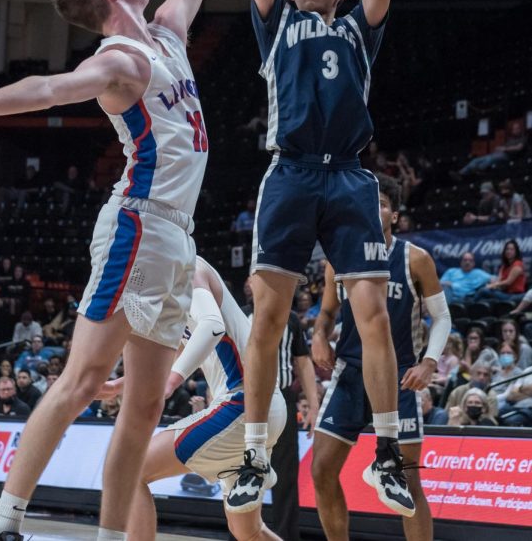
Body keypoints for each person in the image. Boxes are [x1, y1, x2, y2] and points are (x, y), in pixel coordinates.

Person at [0, 0, 261, 541]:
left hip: (174, 238)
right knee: (82, 381)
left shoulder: (168, 32)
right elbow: (50, 88)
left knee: (142, 410)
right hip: (138, 228)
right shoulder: (119, 60)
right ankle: (3, 523)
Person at [226, 0, 412, 520]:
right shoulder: (274, 21)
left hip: (349, 179)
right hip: (290, 173)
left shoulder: (358, 31)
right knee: (266, 317)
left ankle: (387, 455)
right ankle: (251, 457)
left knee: (372, 313)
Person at [102, 257, 286, 541]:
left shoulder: (188, 266)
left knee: (131, 469)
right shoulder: (171, 284)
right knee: (248, 532)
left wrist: (172, 382)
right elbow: (181, 350)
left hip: (243, 404)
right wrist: (119, 385)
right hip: (257, 410)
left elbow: (213, 327)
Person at [311, 175, 451, 539]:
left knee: (407, 482)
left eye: (382, 203)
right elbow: (326, 313)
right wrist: (319, 336)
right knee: (321, 470)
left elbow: (442, 316)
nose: (374, 208)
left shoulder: (415, 259)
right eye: (367, 202)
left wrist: (429, 361)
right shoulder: (338, 259)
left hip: (399, 376)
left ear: (394, 215)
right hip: (350, 373)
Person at [242, 280, 320, 541]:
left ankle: (286, 535)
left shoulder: (291, 320)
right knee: (242, 474)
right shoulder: (240, 316)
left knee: (285, 475)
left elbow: (303, 363)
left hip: (282, 399)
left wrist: (314, 404)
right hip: (244, 400)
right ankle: (242, 533)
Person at [455, 119, 527, 177]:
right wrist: (500, 148)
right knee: (476, 160)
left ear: (520, 129)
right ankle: (461, 173)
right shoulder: (510, 139)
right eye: (514, 129)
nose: (516, 130)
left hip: (508, 156)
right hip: (500, 154)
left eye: (517, 128)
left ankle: (479, 169)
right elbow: (504, 147)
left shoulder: (523, 138)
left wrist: (505, 149)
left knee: (490, 158)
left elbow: (519, 148)